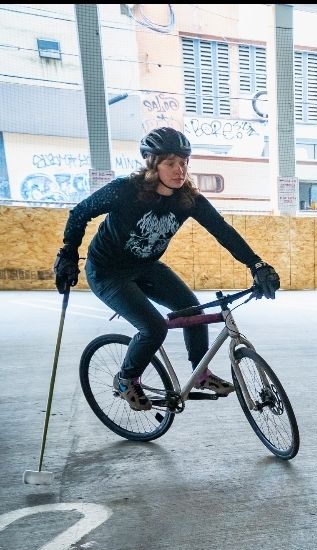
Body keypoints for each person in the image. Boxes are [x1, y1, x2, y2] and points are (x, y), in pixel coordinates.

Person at [52, 126, 280, 411]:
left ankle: (200, 373)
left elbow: (223, 231)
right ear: (152, 164)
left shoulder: (188, 199)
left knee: (192, 309)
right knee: (153, 327)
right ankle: (126, 379)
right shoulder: (126, 190)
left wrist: (256, 264)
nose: (179, 170)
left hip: (146, 266)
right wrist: (68, 254)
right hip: (108, 272)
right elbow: (80, 213)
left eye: (184, 162)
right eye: (170, 163)